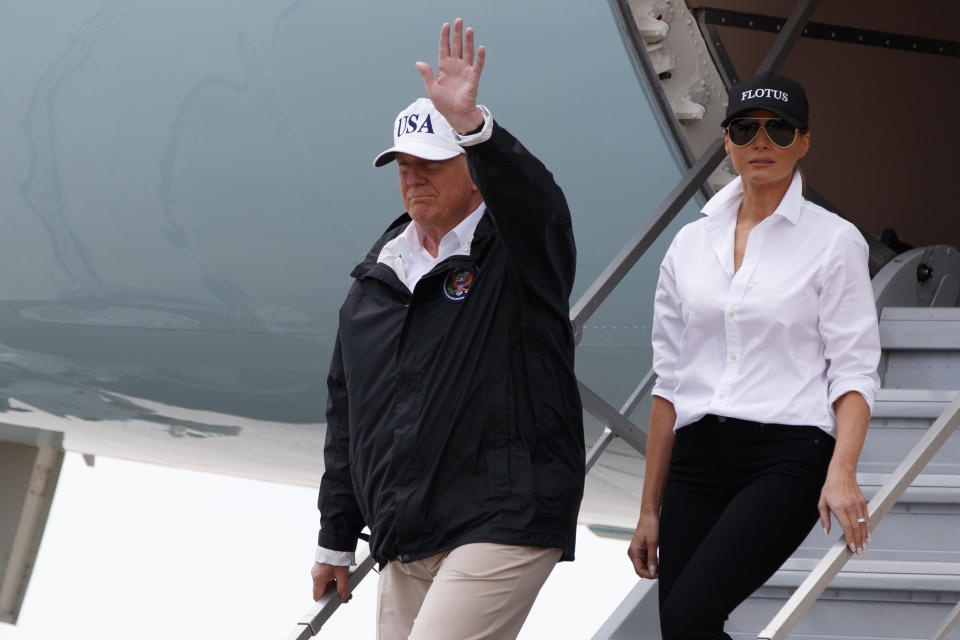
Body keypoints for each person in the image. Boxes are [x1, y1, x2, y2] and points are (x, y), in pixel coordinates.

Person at [310, 18, 585, 640]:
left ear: (471, 167)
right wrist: (334, 538)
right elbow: (349, 417)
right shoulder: (374, 281)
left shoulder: (517, 253)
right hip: (407, 531)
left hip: (504, 517)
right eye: (403, 164)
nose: (413, 177)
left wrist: (474, 129)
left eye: (432, 162)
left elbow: (538, 204)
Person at [627, 71, 881, 639]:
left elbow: (855, 369)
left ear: (804, 141)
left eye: (779, 129)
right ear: (727, 141)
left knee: (693, 615)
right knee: (679, 629)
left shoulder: (835, 240)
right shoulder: (690, 243)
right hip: (694, 456)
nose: (761, 142)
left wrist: (842, 471)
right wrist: (648, 510)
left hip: (786, 455)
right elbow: (669, 382)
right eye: (745, 129)